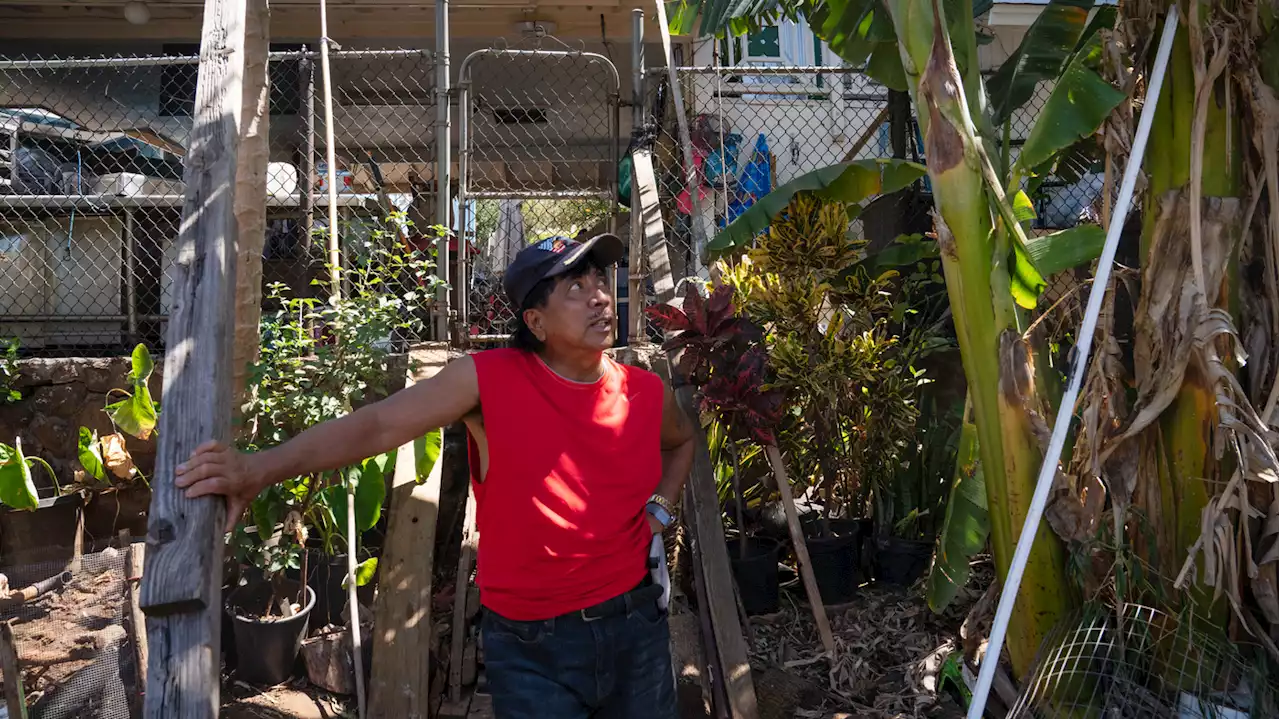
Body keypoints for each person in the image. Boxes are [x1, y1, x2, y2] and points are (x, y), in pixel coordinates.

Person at [175, 233, 695, 719]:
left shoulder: (644, 393)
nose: (600, 297)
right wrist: (258, 468)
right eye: (576, 288)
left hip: (636, 627)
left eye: (600, 281)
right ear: (535, 322)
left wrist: (661, 510)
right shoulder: (490, 382)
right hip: (535, 645)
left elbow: (682, 443)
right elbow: (377, 425)